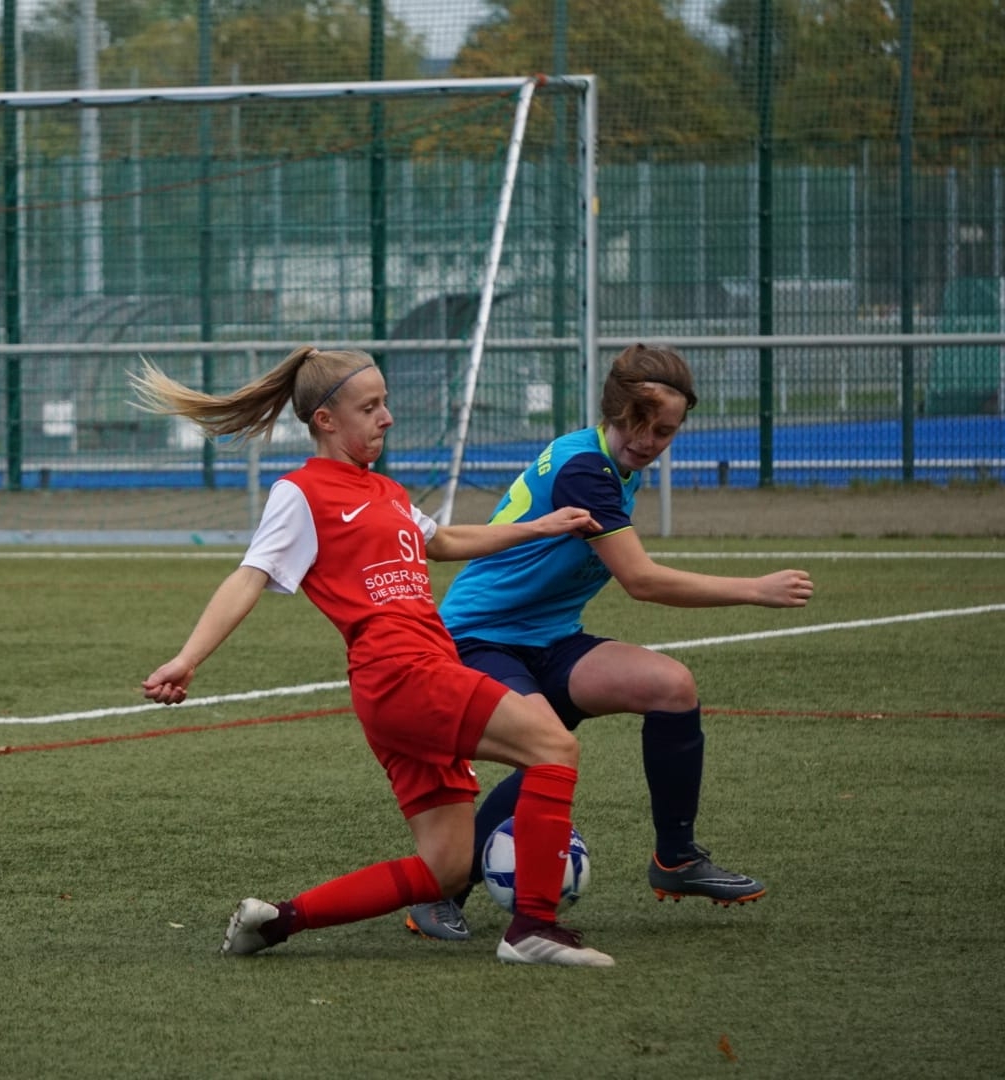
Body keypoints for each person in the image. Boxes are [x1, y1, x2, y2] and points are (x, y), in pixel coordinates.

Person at [135, 345, 616, 968]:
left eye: (385, 403)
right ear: (325, 420)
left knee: (446, 867)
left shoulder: (386, 490)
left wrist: (541, 526)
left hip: (412, 681)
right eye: (370, 407)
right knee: (554, 747)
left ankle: (277, 921)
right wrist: (187, 658)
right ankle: (533, 927)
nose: (386, 417)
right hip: (402, 673)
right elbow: (250, 574)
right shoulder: (300, 492)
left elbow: (444, 539)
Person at [403, 343, 814, 943]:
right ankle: (441, 890)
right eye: (636, 424)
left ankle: (676, 858)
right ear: (613, 411)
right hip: (477, 641)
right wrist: (754, 589)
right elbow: (640, 581)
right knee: (547, 751)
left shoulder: (610, 464)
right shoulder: (585, 469)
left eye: (664, 431)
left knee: (671, 686)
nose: (647, 441)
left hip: (549, 641)